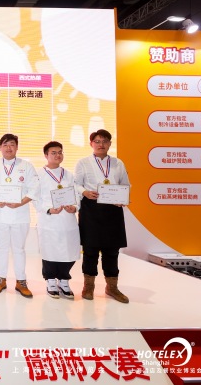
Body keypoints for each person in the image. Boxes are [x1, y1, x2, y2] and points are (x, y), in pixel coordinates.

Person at [74, 129, 130, 303]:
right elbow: (75, 184)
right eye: (97, 141)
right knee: (90, 250)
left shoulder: (118, 163)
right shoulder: (83, 162)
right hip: (91, 209)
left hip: (113, 210)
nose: (101, 144)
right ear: (91, 144)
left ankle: (112, 287)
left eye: (105, 141)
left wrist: (122, 199)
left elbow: (125, 184)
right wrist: (85, 192)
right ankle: (88, 286)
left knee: (112, 251)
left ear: (110, 144)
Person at [0, 134, 39, 298]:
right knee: (1, 248)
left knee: (19, 249)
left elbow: (34, 189)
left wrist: (20, 203)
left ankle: (21, 281)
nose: (9, 148)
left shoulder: (27, 166)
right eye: (5, 145)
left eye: (12, 144)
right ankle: (1, 279)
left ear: (17, 147)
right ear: (0, 147)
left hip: (20, 215)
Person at [34, 141, 80, 299]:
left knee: (69, 251)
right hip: (49, 220)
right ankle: (51, 281)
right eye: (53, 153)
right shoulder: (38, 175)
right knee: (50, 251)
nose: (58, 155)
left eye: (60, 152)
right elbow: (35, 198)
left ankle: (64, 280)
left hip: (67, 219)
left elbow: (76, 195)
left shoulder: (69, 175)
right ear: (46, 155)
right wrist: (48, 209)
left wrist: (75, 207)